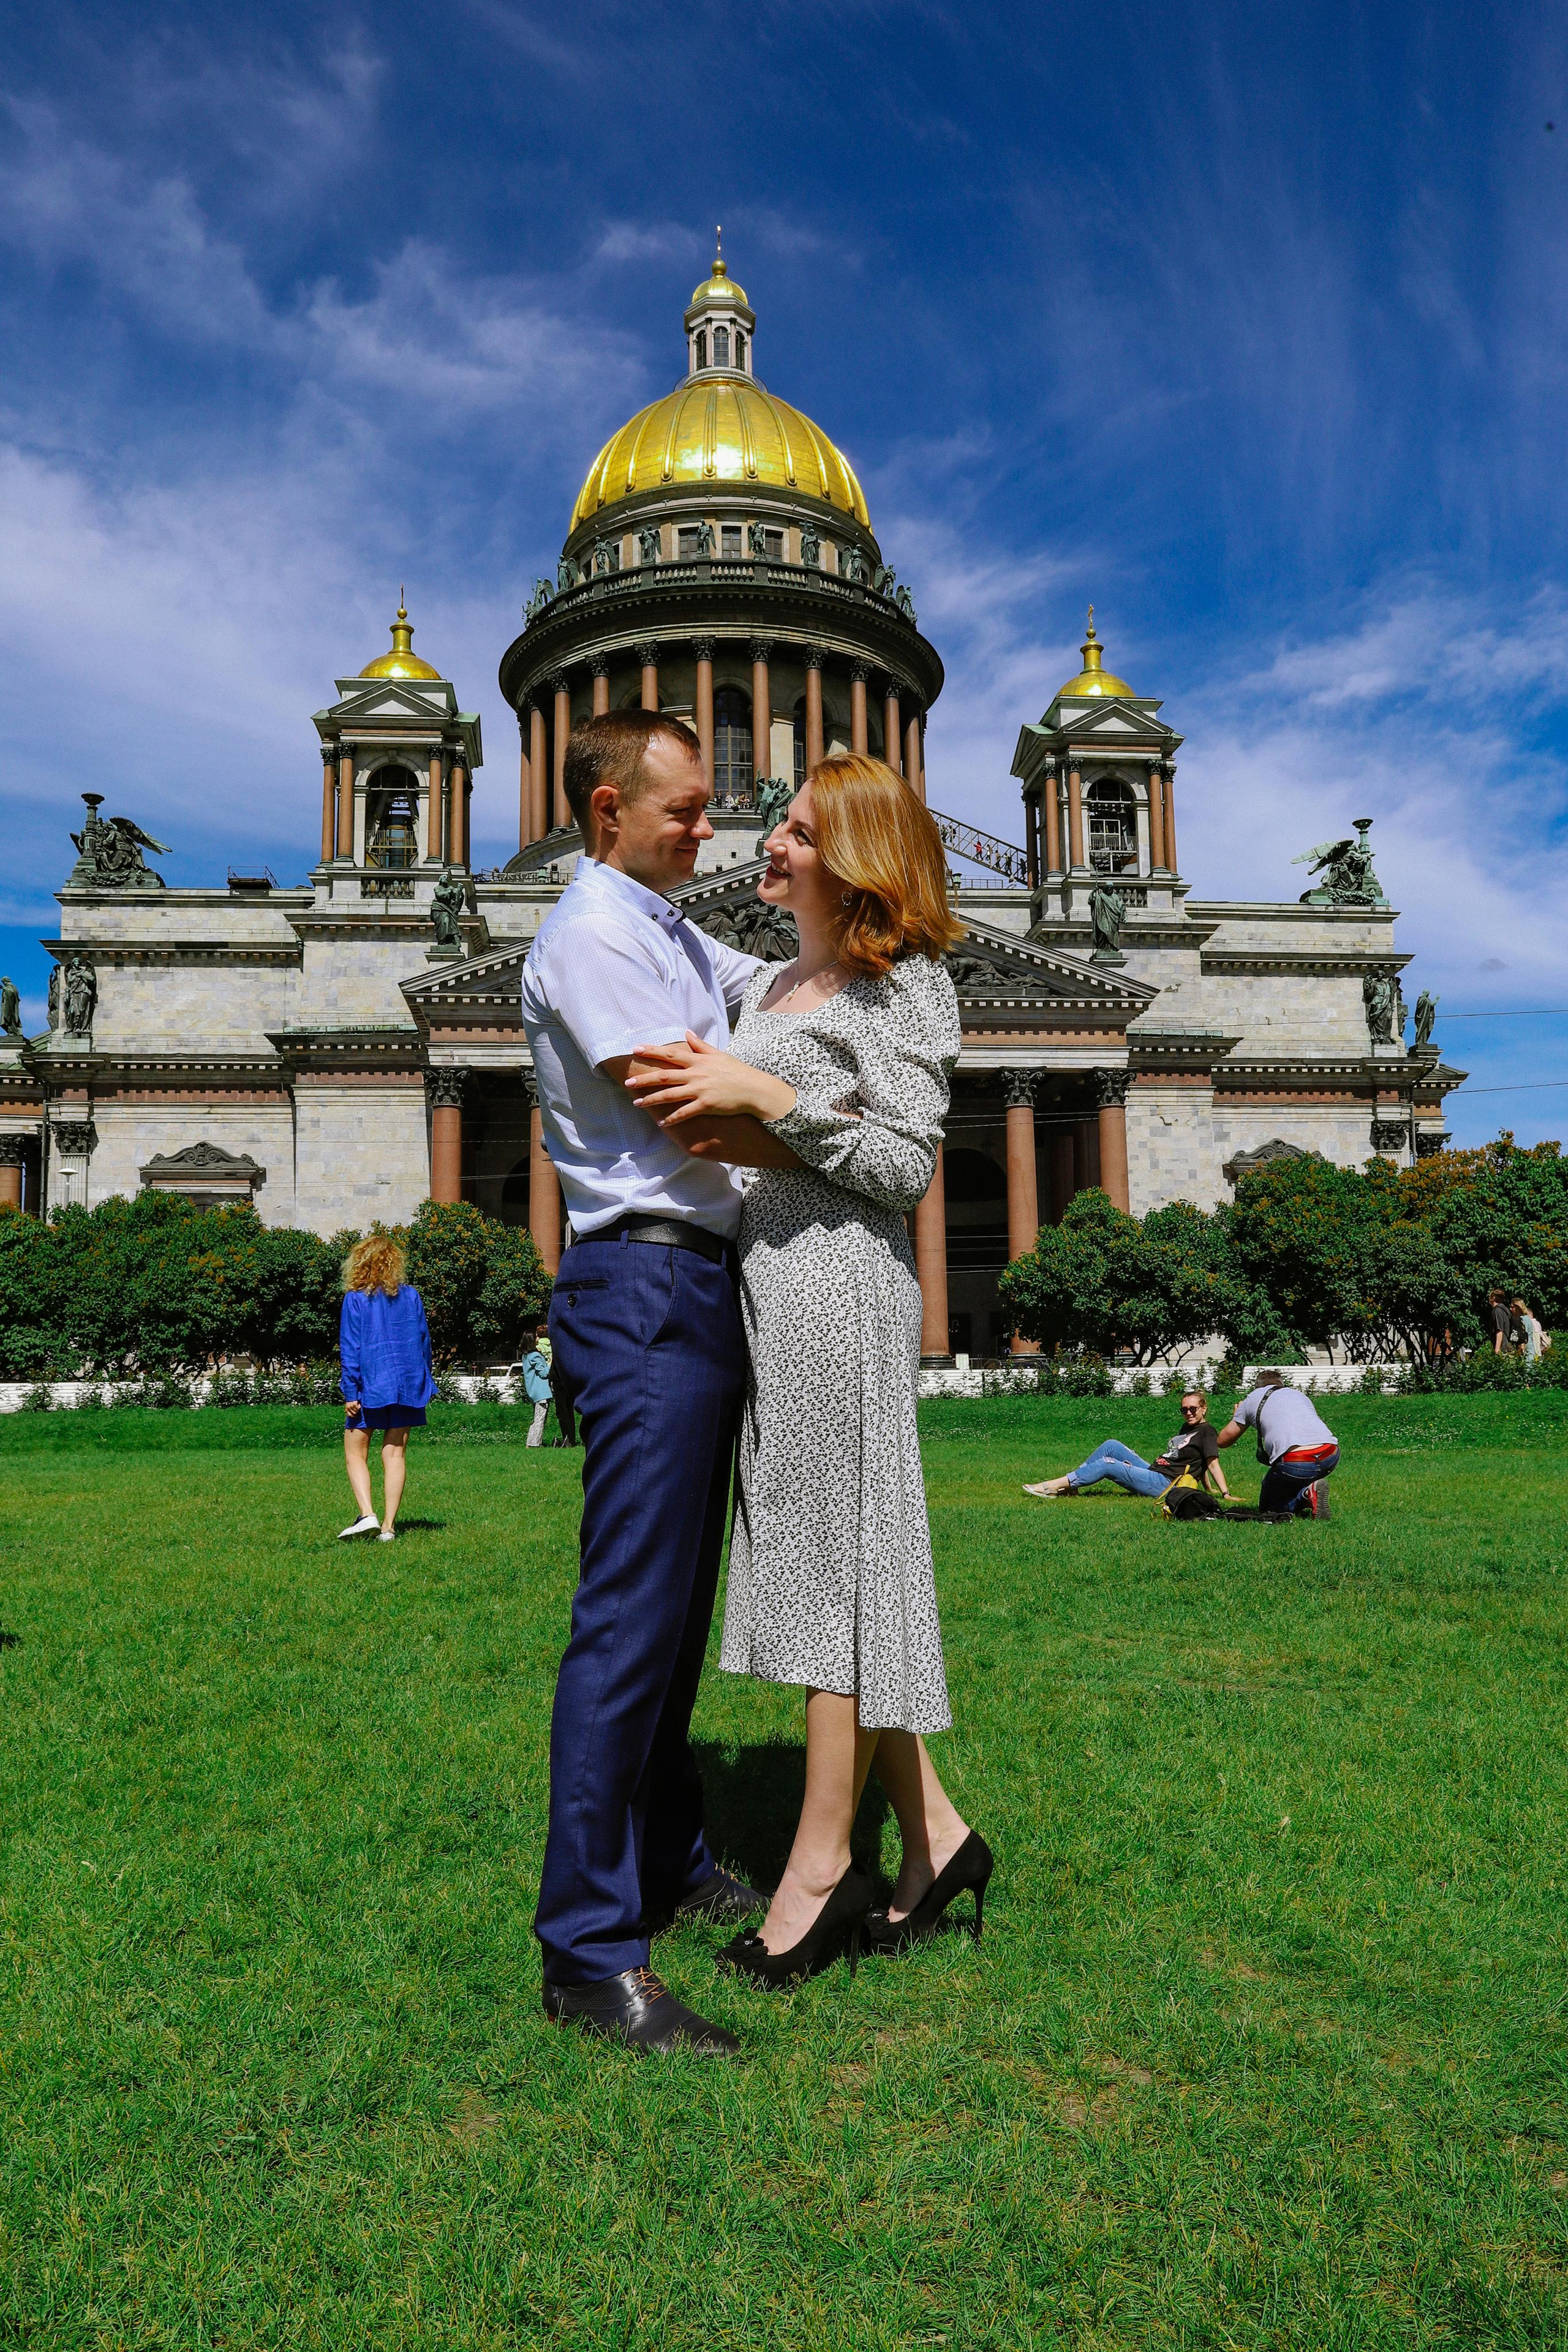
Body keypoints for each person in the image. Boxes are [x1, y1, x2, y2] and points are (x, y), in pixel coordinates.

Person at [625, 754, 993, 1985]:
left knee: (835, 1565)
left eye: (790, 828)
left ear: (849, 854)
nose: (764, 842)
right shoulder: (781, 976)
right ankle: (935, 1839)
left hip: (838, 1288)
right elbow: (768, 1135)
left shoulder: (907, 981)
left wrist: (761, 1096)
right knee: (843, 1556)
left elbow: (904, 1170)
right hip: (768, 1286)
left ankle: (818, 1868)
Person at [519, 710, 767, 2060]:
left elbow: (783, 993)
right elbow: (693, 1106)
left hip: (693, 1288)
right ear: (605, 808)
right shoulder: (594, 935)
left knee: (674, 1620)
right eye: (681, 809)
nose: (707, 828)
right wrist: (844, 1127)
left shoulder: (672, 929)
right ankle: (586, 1954)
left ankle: (666, 1860)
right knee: (626, 1622)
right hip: (645, 1287)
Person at [337, 1232, 435, 1542]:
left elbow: (351, 1347)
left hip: (371, 1387)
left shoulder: (355, 1299)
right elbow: (424, 1342)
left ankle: (367, 1515)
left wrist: (351, 1392)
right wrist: (425, 1382)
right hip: (407, 1385)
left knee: (355, 1453)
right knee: (395, 1455)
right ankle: (389, 1529)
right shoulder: (411, 1296)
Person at [1022, 1389, 1231, 1501]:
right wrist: (1208, 1489)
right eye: (1184, 1410)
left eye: (1193, 1409)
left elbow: (1211, 1463)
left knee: (1108, 1464)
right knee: (1111, 1445)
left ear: (1204, 1408)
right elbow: (1196, 1462)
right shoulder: (1187, 1429)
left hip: (1165, 1484)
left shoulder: (1207, 1431)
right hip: (1156, 1471)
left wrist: (1225, 1494)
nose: (1188, 1413)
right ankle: (1072, 1486)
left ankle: (1052, 1486)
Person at [1215, 1370, 1338, 1517]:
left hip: (1295, 1461)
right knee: (1296, 1477)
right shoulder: (1298, 1395)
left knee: (1269, 1510)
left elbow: (1223, 1441)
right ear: (1281, 1384)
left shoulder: (1253, 1398)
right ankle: (1311, 1491)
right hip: (1330, 1453)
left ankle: (1306, 1494)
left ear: (1258, 1387)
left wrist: (1237, 1416)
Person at [519, 1327, 554, 1445]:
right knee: (540, 1419)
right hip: (541, 1393)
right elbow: (544, 1374)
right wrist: (550, 1363)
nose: (538, 1338)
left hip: (533, 1392)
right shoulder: (535, 1356)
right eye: (536, 1337)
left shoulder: (526, 1356)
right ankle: (533, 1443)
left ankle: (535, 1442)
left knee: (538, 1418)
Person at [1489, 1289, 1514, 1356]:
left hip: (1502, 1347)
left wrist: (1497, 1349)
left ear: (1493, 1298)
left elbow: (1499, 1330)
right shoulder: (1505, 1310)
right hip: (1506, 1344)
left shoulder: (1497, 1311)